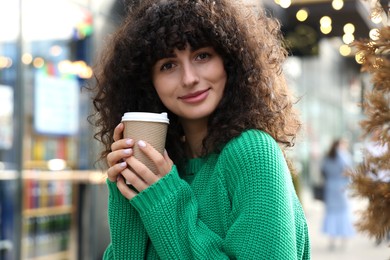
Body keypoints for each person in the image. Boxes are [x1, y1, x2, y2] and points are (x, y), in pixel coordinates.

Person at [90, 0, 310, 259]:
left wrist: (165, 199)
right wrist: (127, 191)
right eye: (168, 65)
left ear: (230, 60)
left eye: (202, 56)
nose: (189, 78)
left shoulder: (252, 153)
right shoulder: (164, 167)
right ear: (148, 83)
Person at [320, 138, 355, 250]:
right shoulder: (344, 156)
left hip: (330, 187)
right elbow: (349, 172)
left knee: (331, 214)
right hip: (341, 188)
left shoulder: (327, 157)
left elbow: (323, 171)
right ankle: (344, 239)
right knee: (343, 213)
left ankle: (332, 240)